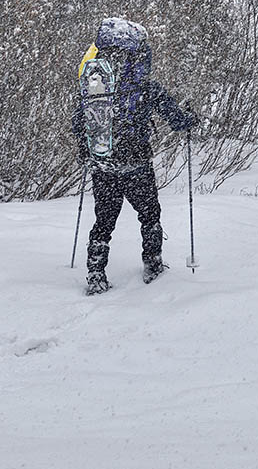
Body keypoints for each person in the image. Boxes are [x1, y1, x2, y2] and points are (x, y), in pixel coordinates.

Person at [71, 18, 198, 296]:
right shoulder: (146, 88)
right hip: (136, 165)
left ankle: (95, 274)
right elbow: (176, 119)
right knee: (150, 215)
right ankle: (152, 265)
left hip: (103, 165)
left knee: (103, 222)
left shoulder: (95, 88)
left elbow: (77, 123)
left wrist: (86, 150)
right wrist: (190, 119)